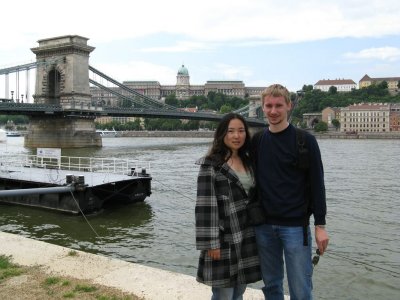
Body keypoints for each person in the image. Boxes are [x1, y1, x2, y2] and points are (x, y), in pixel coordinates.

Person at [253, 84, 329, 300]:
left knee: (301, 288)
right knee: (271, 286)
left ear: (289, 105)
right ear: (262, 107)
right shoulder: (257, 141)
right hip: (264, 226)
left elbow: (317, 184)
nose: (273, 111)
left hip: (296, 227)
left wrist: (320, 225)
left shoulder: (305, 141)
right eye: (268, 106)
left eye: (278, 105)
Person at [195, 113, 261, 300]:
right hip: (223, 239)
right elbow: (205, 206)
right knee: (223, 293)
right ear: (222, 134)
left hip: (247, 236)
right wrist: (211, 244)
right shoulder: (210, 165)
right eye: (231, 131)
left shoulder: (249, 161)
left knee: (239, 291)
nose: (236, 136)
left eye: (241, 131)